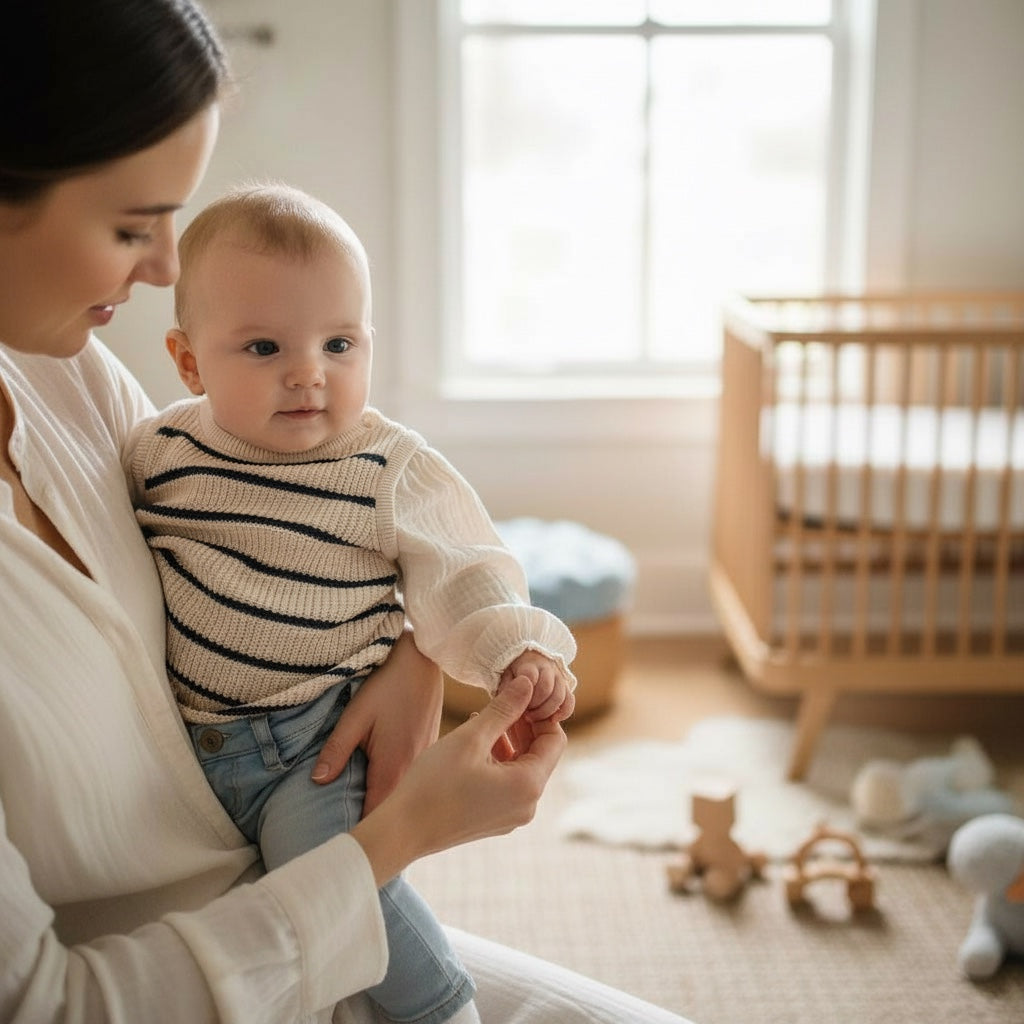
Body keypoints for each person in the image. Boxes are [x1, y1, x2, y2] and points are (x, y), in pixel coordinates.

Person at [0, 2, 693, 1022]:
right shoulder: (141, 415)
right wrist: (403, 835)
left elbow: (396, 548)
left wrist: (419, 653)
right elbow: (52, 1004)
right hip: (222, 957)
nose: (159, 267)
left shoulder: (62, 373)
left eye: (340, 344)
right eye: (130, 226)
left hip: (296, 859)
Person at [124, 181, 579, 1024]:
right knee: (247, 907)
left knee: (325, 868)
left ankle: (439, 1006)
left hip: (317, 742)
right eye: (263, 348)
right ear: (188, 362)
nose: (309, 374)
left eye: (340, 343)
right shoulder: (158, 451)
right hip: (196, 746)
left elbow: (464, 563)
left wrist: (511, 651)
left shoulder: (383, 465)